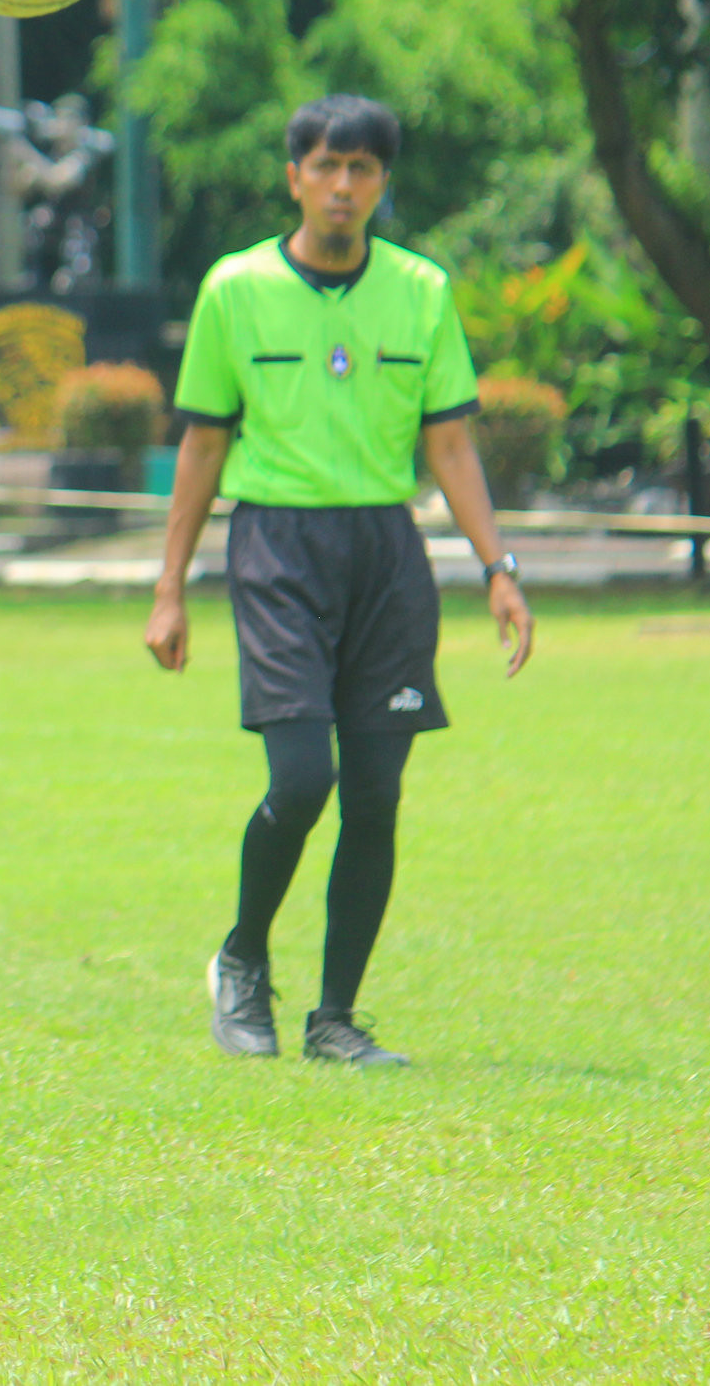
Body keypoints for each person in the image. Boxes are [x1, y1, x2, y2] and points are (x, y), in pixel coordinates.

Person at [147, 95, 535, 1069]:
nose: (342, 186)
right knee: (302, 776)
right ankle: (241, 959)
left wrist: (498, 569)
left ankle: (335, 1017)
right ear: (294, 176)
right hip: (276, 547)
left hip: (386, 553)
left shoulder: (421, 290)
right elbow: (201, 441)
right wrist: (168, 586)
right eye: (325, 166)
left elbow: (448, 438)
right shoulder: (233, 288)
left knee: (373, 791)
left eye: (361, 169)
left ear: (381, 182)